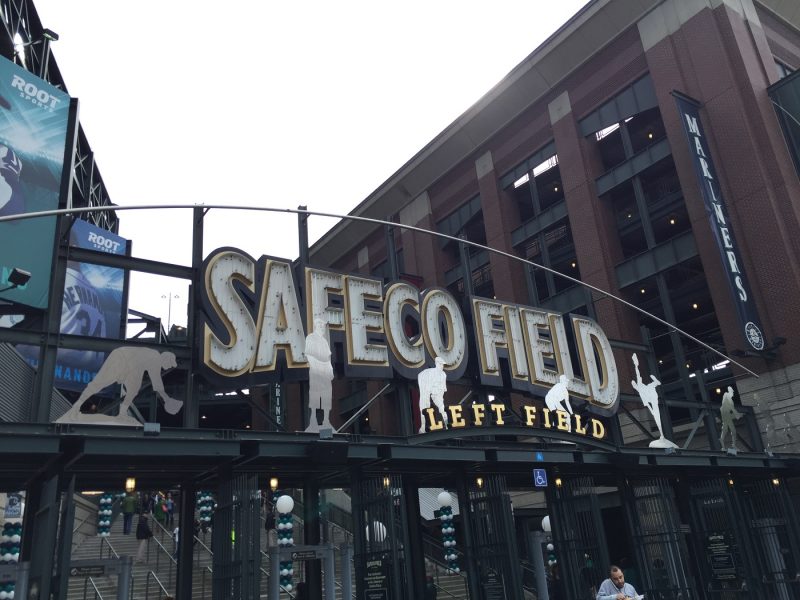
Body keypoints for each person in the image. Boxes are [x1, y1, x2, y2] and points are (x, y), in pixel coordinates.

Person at [57, 347, 182, 423]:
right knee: (99, 383)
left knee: (134, 389)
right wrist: (167, 399)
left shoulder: (150, 357)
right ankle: (76, 407)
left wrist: (167, 399)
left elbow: (152, 379)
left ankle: (122, 413)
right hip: (121, 358)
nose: (169, 367)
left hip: (132, 366)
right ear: (165, 359)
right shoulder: (155, 358)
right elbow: (157, 382)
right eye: (170, 364)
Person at [304, 318, 334, 433]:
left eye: (324, 326)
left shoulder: (324, 341)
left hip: (325, 370)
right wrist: (316, 367)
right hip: (316, 369)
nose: (323, 328)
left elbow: (327, 357)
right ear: (317, 325)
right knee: (315, 395)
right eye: (321, 325)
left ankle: (326, 420)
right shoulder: (310, 338)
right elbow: (309, 355)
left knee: (326, 396)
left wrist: (330, 368)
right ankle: (313, 420)